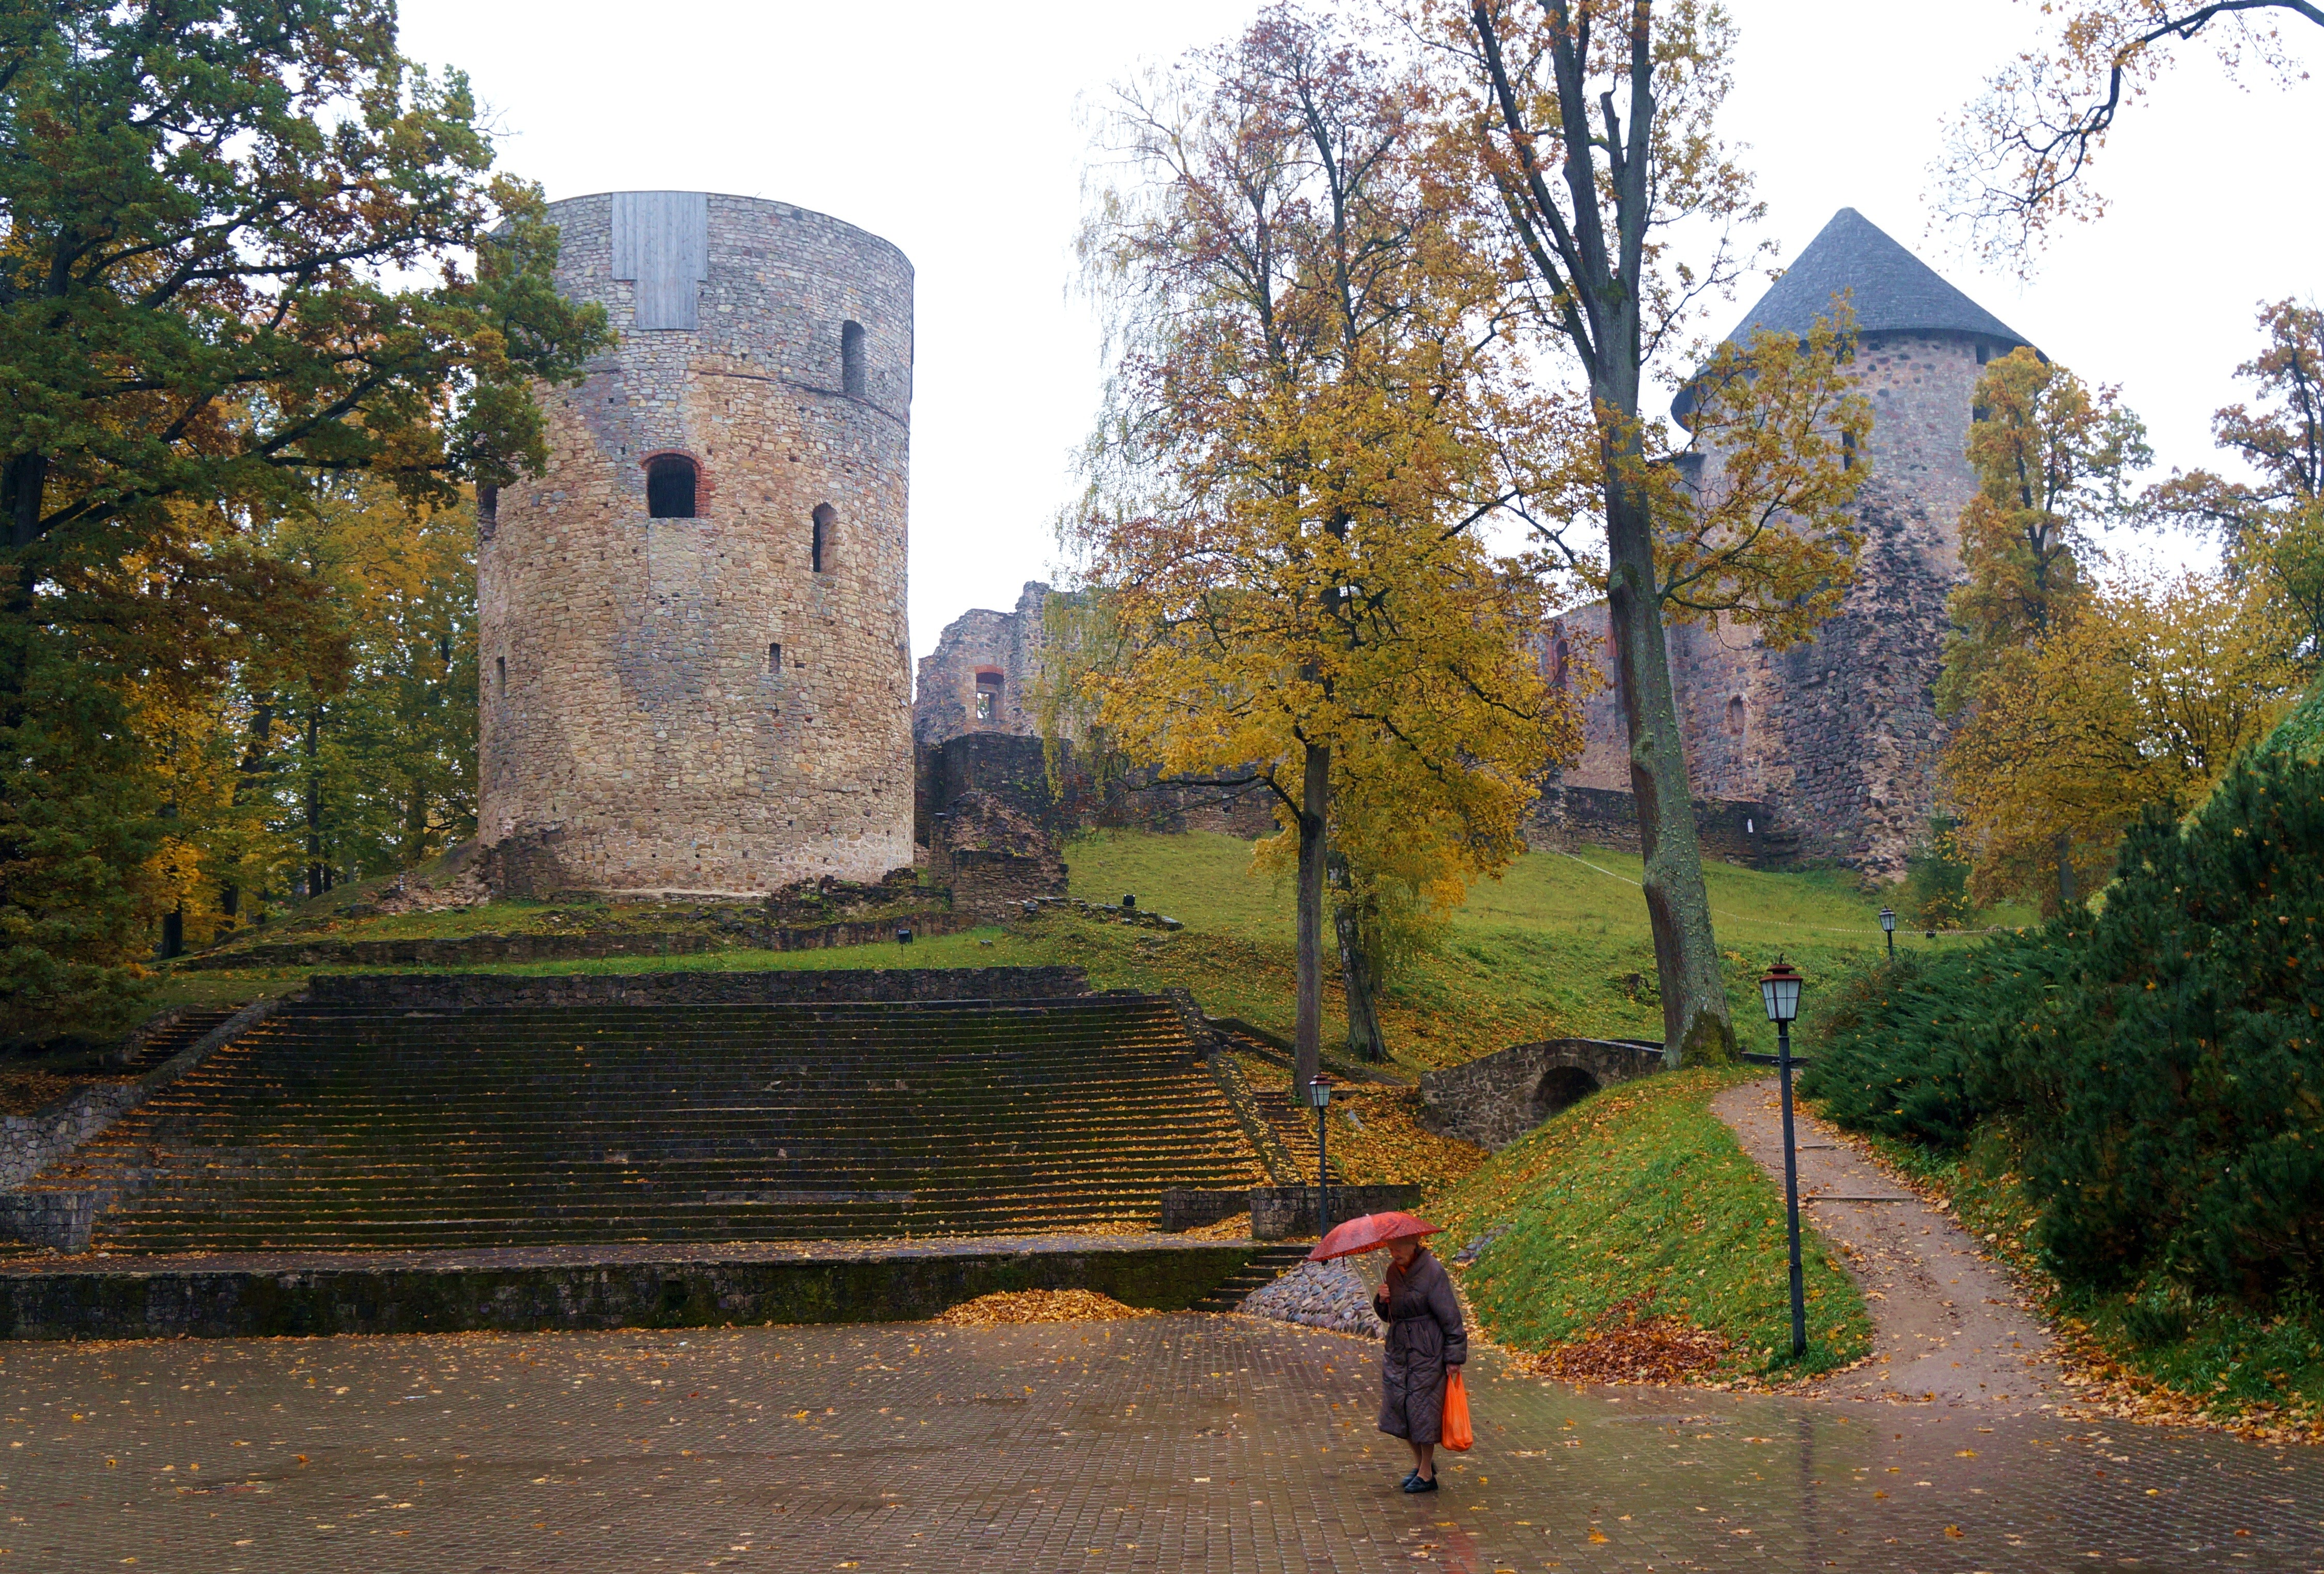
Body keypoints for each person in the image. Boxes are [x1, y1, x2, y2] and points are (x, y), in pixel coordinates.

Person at [1373, 1230, 1465, 1492]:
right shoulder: (1392, 1272)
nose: (1394, 1254)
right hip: (1399, 1351)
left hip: (1428, 1350)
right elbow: (1389, 1316)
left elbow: (1450, 1315)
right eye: (1391, 1249)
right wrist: (1382, 1300)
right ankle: (1423, 1464)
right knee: (1401, 1408)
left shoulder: (1433, 1271)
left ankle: (1426, 1474)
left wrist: (1454, 1356)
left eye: (1398, 1248)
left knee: (1423, 1411)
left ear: (1413, 1245)